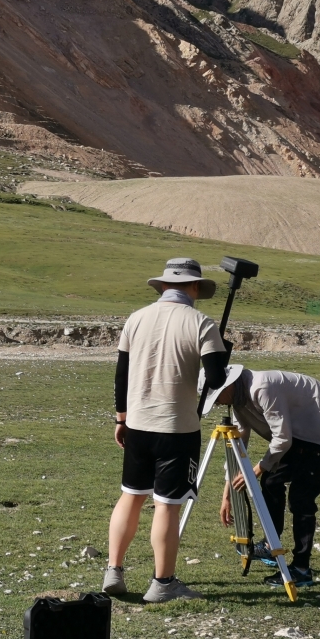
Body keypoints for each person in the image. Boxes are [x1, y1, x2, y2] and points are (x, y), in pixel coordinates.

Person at [104, 258, 228, 603]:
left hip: (137, 423)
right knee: (167, 505)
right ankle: (163, 582)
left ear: (162, 285)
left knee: (131, 495)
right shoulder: (201, 323)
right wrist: (220, 353)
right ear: (194, 287)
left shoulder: (136, 318)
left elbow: (121, 374)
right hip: (177, 428)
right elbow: (216, 378)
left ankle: (114, 570)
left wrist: (121, 419)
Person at [202, 365, 320, 588]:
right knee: (271, 481)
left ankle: (301, 569)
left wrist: (257, 469)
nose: (218, 403)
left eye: (217, 398)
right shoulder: (238, 400)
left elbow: (282, 438)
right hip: (294, 433)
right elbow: (238, 446)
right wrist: (226, 495)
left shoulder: (262, 388)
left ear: (227, 386)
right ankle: (270, 544)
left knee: (301, 499)